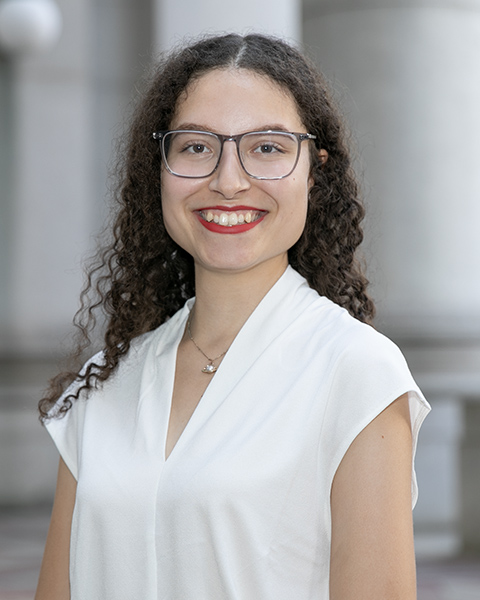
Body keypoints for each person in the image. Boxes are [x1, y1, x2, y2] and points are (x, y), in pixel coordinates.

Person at [35, 33, 430, 600]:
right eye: (196, 147)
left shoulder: (356, 373)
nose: (228, 180)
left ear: (314, 173)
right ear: (161, 169)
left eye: (267, 147)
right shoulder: (103, 386)